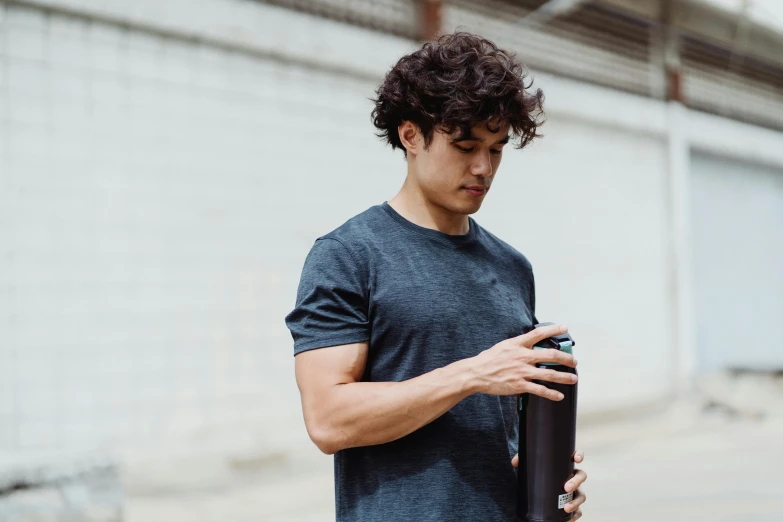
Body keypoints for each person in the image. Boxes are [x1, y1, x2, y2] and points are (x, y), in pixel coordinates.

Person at [285, 32, 587, 521]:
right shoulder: (348, 255)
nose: (483, 167)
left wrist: (547, 486)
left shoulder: (511, 266)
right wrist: (471, 375)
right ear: (410, 135)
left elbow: (502, 419)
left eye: (496, 148)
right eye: (465, 144)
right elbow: (328, 420)